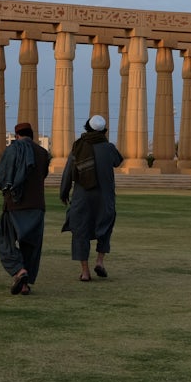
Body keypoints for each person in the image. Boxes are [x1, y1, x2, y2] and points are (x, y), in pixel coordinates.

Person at [60, 114, 123, 281]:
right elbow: (118, 161)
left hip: (82, 197)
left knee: (80, 231)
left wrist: (64, 192)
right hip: (105, 196)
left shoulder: (78, 147)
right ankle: (100, 261)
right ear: (104, 130)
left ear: (86, 127)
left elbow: (68, 172)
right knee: (105, 226)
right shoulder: (108, 147)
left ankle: (85, 272)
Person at [0, 122, 50, 295]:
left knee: (6, 239)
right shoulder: (43, 153)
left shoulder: (12, 149)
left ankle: (19, 271)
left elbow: (2, 176)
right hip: (37, 205)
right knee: (32, 246)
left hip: (15, 204)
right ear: (32, 135)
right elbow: (43, 175)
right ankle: (25, 284)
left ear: (17, 135)